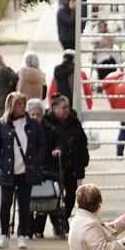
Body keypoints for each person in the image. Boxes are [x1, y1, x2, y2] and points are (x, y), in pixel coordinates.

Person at [0, 91, 45, 250]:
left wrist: (35, 162)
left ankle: (22, 235)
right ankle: (3, 235)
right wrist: (1, 163)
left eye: (23, 103)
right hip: (8, 171)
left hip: (25, 170)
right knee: (5, 203)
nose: (23, 107)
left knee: (24, 204)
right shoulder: (3, 124)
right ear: (11, 106)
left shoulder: (32, 124)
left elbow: (41, 144)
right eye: (19, 104)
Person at [42, 94, 89, 230]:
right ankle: (58, 221)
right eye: (63, 108)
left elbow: (82, 142)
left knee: (71, 195)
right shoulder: (47, 123)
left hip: (71, 165)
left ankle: (64, 217)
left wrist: (83, 161)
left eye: (68, 107)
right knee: (54, 195)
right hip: (52, 166)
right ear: (54, 108)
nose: (67, 110)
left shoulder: (74, 122)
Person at [26, 98, 49, 238]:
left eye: (38, 114)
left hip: (45, 168)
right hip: (28, 168)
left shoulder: (49, 129)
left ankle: (39, 228)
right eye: (32, 114)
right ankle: (28, 226)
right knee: (26, 199)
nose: (35, 117)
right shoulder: (24, 129)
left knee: (45, 199)